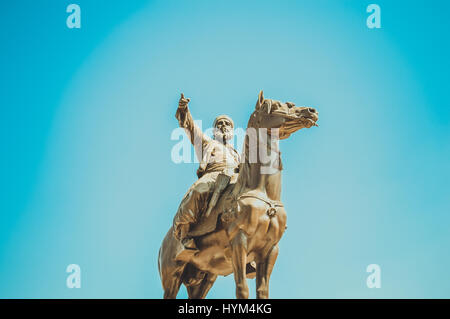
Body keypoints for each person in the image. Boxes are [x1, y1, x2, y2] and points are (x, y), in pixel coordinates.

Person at [173, 93, 240, 251]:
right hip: (213, 176)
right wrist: (184, 110)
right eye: (220, 124)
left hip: (234, 177)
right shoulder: (207, 143)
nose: (223, 126)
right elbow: (191, 129)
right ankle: (184, 231)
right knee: (198, 191)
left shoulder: (237, 153)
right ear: (215, 129)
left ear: (231, 130)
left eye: (227, 124)